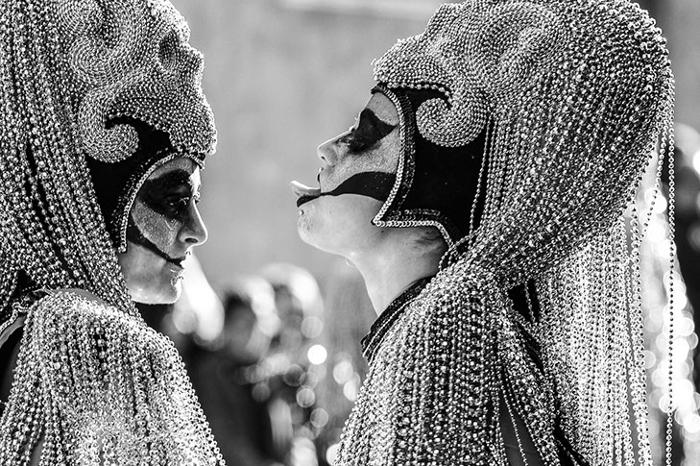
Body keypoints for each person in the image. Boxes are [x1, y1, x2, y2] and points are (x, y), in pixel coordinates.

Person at [291, 1, 674, 465]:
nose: (327, 150)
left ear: (425, 185)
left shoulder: (447, 330)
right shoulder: (453, 328)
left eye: (366, 134)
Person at [0, 0, 223, 463]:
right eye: (174, 199)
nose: (197, 232)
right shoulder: (102, 340)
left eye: (194, 202)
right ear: (94, 205)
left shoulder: (16, 328)